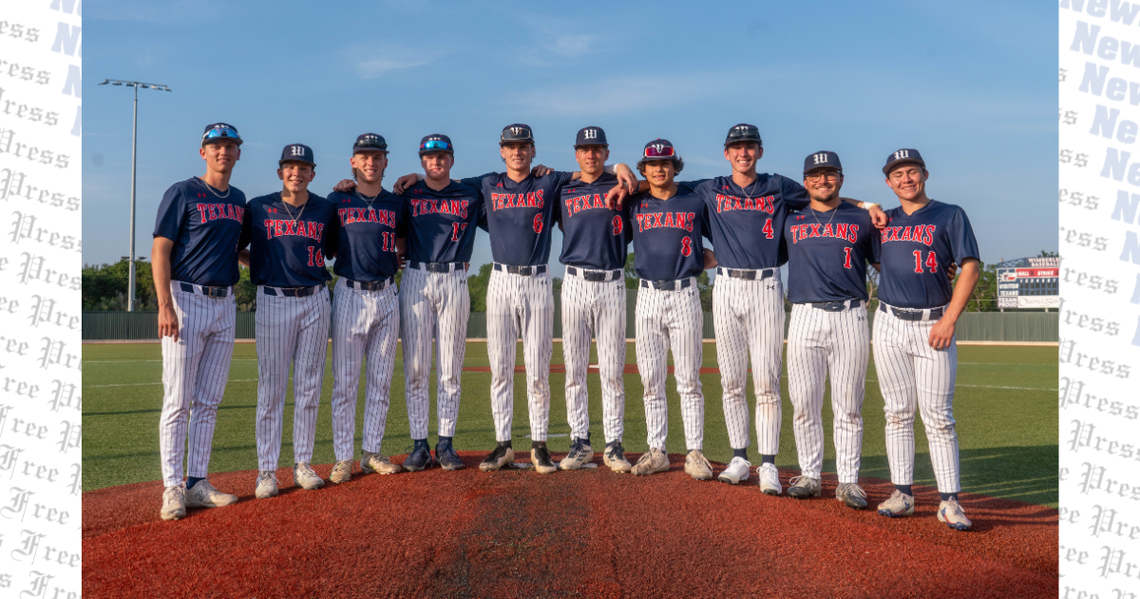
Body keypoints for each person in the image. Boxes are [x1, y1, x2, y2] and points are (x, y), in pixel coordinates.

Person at [873, 148, 980, 531]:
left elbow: (970, 266)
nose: (906, 179)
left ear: (925, 174)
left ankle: (949, 501)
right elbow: (879, 259)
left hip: (933, 323)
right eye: (897, 174)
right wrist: (868, 205)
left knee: (938, 417)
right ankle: (902, 494)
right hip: (888, 323)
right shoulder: (884, 220)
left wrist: (950, 319)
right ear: (889, 182)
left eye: (912, 171)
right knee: (897, 413)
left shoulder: (950, 214)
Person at [152, 123, 245, 520]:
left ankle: (197, 482)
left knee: (208, 401)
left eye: (229, 145)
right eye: (215, 145)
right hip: (185, 299)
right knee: (177, 400)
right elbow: (160, 249)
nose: (223, 151)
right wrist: (164, 304)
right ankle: (172, 487)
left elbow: (238, 251)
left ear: (238, 153)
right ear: (203, 151)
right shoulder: (183, 191)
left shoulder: (239, 199)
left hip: (225, 303)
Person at [783, 151, 878, 508]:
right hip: (804, 314)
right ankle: (809, 475)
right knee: (804, 403)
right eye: (815, 175)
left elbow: (887, 260)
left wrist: (940, 270)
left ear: (841, 178)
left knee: (848, 406)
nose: (822, 180)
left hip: (849, 316)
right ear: (805, 181)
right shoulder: (790, 217)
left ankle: (848, 481)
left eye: (830, 174)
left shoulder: (863, 218)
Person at [241, 144, 337, 498]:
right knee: (272, 388)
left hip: (315, 299)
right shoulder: (258, 207)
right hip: (274, 299)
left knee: (309, 387)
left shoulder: (325, 208)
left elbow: (333, 250)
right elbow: (235, 245)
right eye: (290, 167)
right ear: (280, 172)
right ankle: (266, 471)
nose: (296, 172)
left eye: (303, 167)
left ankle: (303, 464)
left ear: (313, 173)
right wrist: (261, 265)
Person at [625, 139, 718, 480]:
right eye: (652, 164)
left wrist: (714, 256)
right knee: (651, 379)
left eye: (665, 163)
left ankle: (695, 452)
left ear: (674, 166)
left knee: (688, 378)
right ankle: (657, 450)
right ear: (644, 169)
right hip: (648, 294)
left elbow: (725, 233)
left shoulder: (694, 200)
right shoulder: (635, 203)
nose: (659, 169)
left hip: (684, 292)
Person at [397, 134, 483, 471]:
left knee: (450, 368)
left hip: (454, 278)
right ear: (422, 161)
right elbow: (396, 230)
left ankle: (446, 442)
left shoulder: (469, 193)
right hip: (416, 277)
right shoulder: (408, 193)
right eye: (430, 157)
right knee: (416, 367)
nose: (436, 161)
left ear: (451, 159)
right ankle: (419, 444)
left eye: (442, 156)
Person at [325, 134, 406, 483]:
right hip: (350, 292)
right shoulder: (336, 200)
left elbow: (404, 240)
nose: (370, 162)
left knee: (380, 382)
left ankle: (372, 451)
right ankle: (343, 456)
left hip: (387, 293)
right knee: (345, 383)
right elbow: (326, 246)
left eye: (376, 156)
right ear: (353, 162)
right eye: (364, 156)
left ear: (386, 161)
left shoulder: (396, 203)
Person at [555, 126, 633, 472]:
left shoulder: (622, 186)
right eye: (585, 149)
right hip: (574, 281)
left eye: (597, 149)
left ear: (606, 152)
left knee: (612, 370)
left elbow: (654, 183)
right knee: (575, 369)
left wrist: (621, 170)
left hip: (612, 282)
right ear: (576, 154)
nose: (591, 154)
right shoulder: (563, 189)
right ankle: (580, 441)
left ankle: (613, 444)